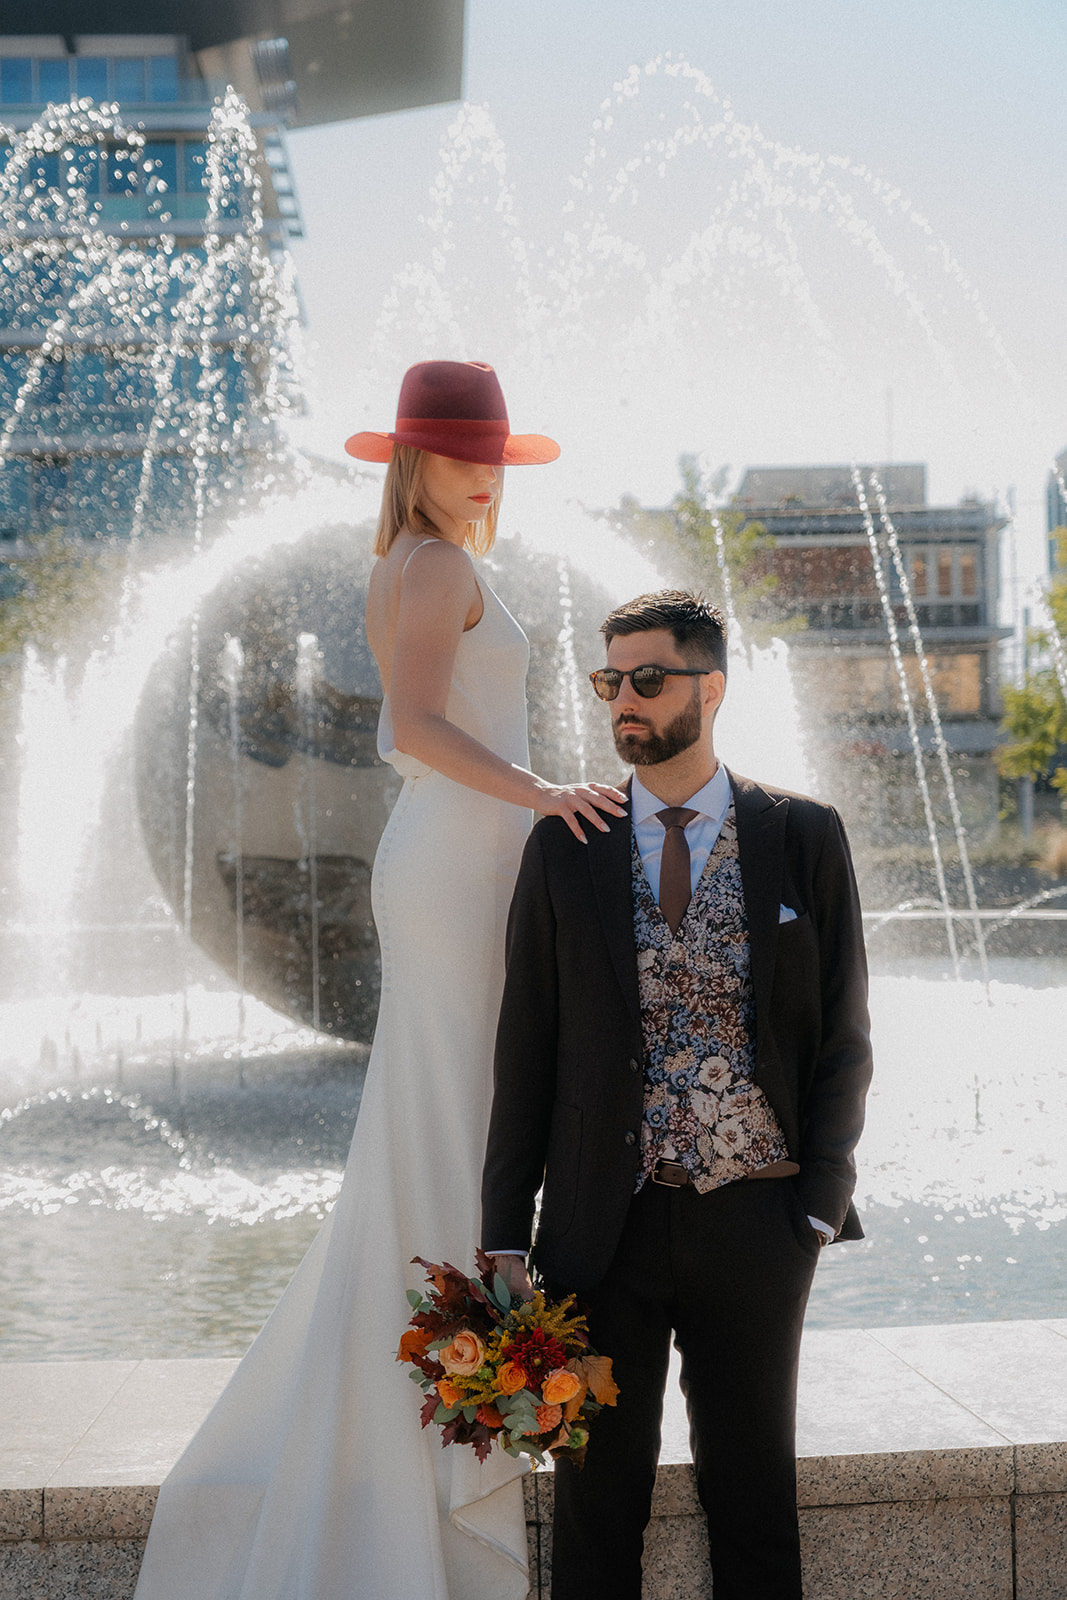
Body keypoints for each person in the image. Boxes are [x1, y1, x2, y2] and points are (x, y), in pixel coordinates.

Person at [133, 360, 624, 1600]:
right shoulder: (436, 564)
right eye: (460, 451)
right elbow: (410, 727)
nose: (482, 472)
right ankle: (457, 1403)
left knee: (452, 1118)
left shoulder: (410, 561)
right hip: (458, 860)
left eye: (492, 454)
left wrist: (526, 806)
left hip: (460, 857)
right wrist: (546, 793)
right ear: (413, 458)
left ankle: (453, 1393)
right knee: (456, 1118)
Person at [482, 589, 873, 1600]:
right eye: (609, 680)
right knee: (596, 1505)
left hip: (759, 1217)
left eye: (648, 679)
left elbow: (843, 1034)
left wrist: (819, 1201)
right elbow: (525, 1046)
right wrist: (504, 1232)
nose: (624, 700)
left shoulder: (800, 832)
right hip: (597, 1226)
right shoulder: (565, 844)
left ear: (712, 688)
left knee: (752, 1498)